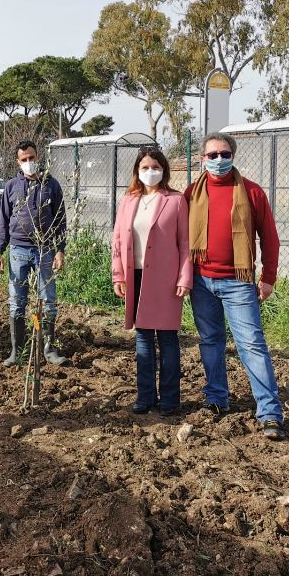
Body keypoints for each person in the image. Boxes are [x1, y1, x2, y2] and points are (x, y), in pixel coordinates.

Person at [185, 132, 284, 441]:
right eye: (212, 155)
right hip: (201, 281)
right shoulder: (191, 193)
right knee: (211, 342)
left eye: (224, 154)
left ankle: (269, 412)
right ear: (202, 159)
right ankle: (217, 398)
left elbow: (269, 237)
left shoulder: (251, 192)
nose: (218, 160)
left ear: (233, 156)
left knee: (252, 345)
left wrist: (268, 277)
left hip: (239, 283)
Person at [111, 147, 192, 415]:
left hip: (166, 279)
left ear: (164, 170)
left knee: (168, 338)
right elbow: (118, 241)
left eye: (155, 167)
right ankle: (145, 396)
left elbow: (185, 243)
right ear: (137, 171)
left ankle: (170, 399)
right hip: (135, 277)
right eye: (144, 167)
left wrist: (184, 277)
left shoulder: (176, 200)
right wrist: (119, 275)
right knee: (143, 338)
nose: (150, 172)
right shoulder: (128, 201)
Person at [0, 140, 68, 367]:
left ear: (38, 158)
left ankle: (48, 348)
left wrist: (60, 250)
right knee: (17, 301)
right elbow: (3, 221)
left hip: (45, 249)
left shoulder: (51, 185)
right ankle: (17, 351)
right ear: (18, 161)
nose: (29, 162)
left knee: (48, 300)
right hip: (18, 250)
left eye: (32, 158)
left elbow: (60, 219)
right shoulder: (11, 186)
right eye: (24, 159)